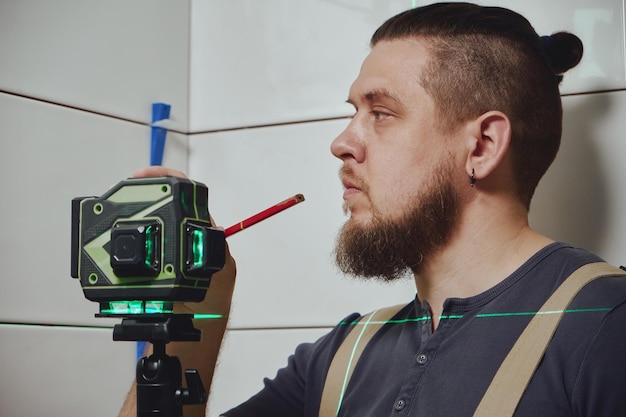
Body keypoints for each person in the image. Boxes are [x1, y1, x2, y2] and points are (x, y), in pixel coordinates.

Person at [119, 2, 626, 416]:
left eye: (381, 114)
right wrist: (197, 303)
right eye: (353, 113)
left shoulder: (607, 325)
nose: (341, 142)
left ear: (482, 146)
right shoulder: (341, 358)